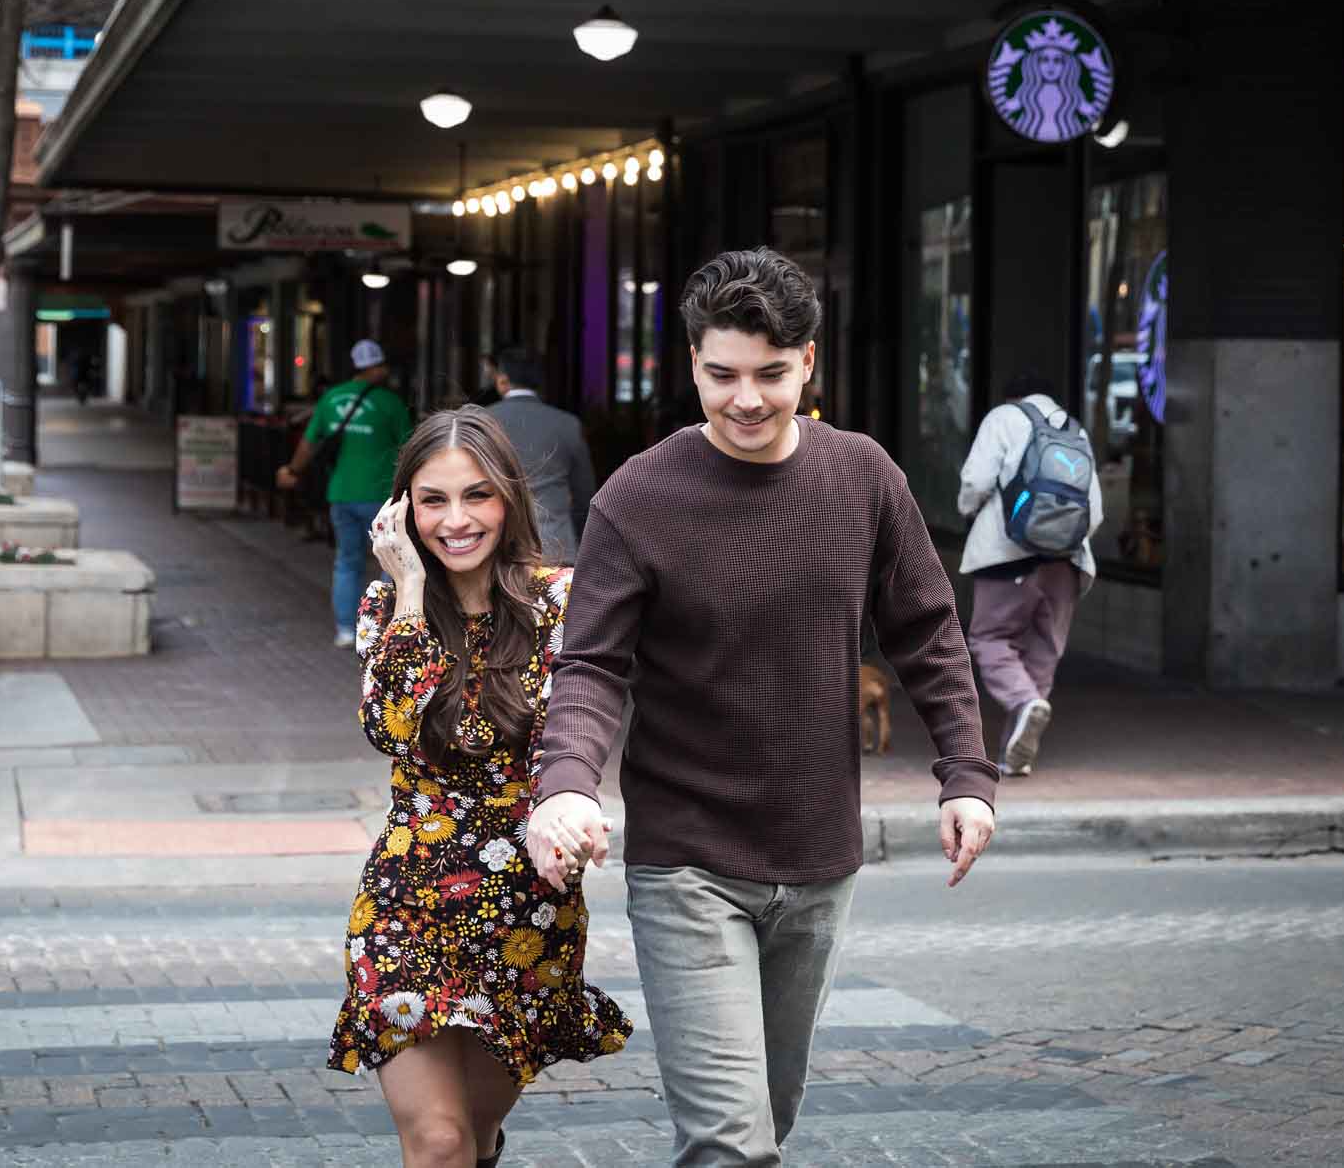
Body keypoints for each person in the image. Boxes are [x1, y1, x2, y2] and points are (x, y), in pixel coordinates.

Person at [522, 247, 998, 1167]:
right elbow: (590, 665)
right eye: (722, 374)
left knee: (765, 1122)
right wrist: (567, 783)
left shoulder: (863, 478)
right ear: (692, 362)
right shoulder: (638, 496)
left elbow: (930, 631)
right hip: (687, 862)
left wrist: (966, 774)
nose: (746, 398)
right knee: (730, 1145)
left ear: (809, 362)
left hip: (819, 857)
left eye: (771, 374)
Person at [330, 407, 632, 1168]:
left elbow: (583, 723)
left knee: (474, 1133)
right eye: (434, 499)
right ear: (403, 509)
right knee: (437, 1141)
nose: (456, 519)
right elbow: (391, 726)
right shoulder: (384, 608)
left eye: (478, 495)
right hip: (407, 901)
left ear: (510, 500)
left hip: (525, 907)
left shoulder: (561, 602)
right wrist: (405, 589)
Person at [956, 371, 1103, 777]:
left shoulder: (1003, 418)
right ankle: (1015, 754)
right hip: (1067, 562)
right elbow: (1095, 509)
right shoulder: (1075, 431)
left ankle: (1024, 704)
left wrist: (970, 511)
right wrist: (1058, 539)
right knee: (1043, 652)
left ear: (1012, 396)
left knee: (989, 639)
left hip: (1008, 556)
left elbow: (974, 481)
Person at [277, 339, 414, 647]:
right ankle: (384, 628)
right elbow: (410, 449)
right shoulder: (391, 403)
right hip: (382, 496)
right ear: (376, 367)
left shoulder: (331, 399)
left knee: (347, 561)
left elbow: (309, 444)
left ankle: (345, 629)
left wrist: (294, 471)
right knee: (390, 562)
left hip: (342, 493)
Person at [483, 346, 595, 561]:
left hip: (499, 548)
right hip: (556, 548)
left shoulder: (483, 421)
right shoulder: (568, 424)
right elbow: (584, 494)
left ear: (502, 379)